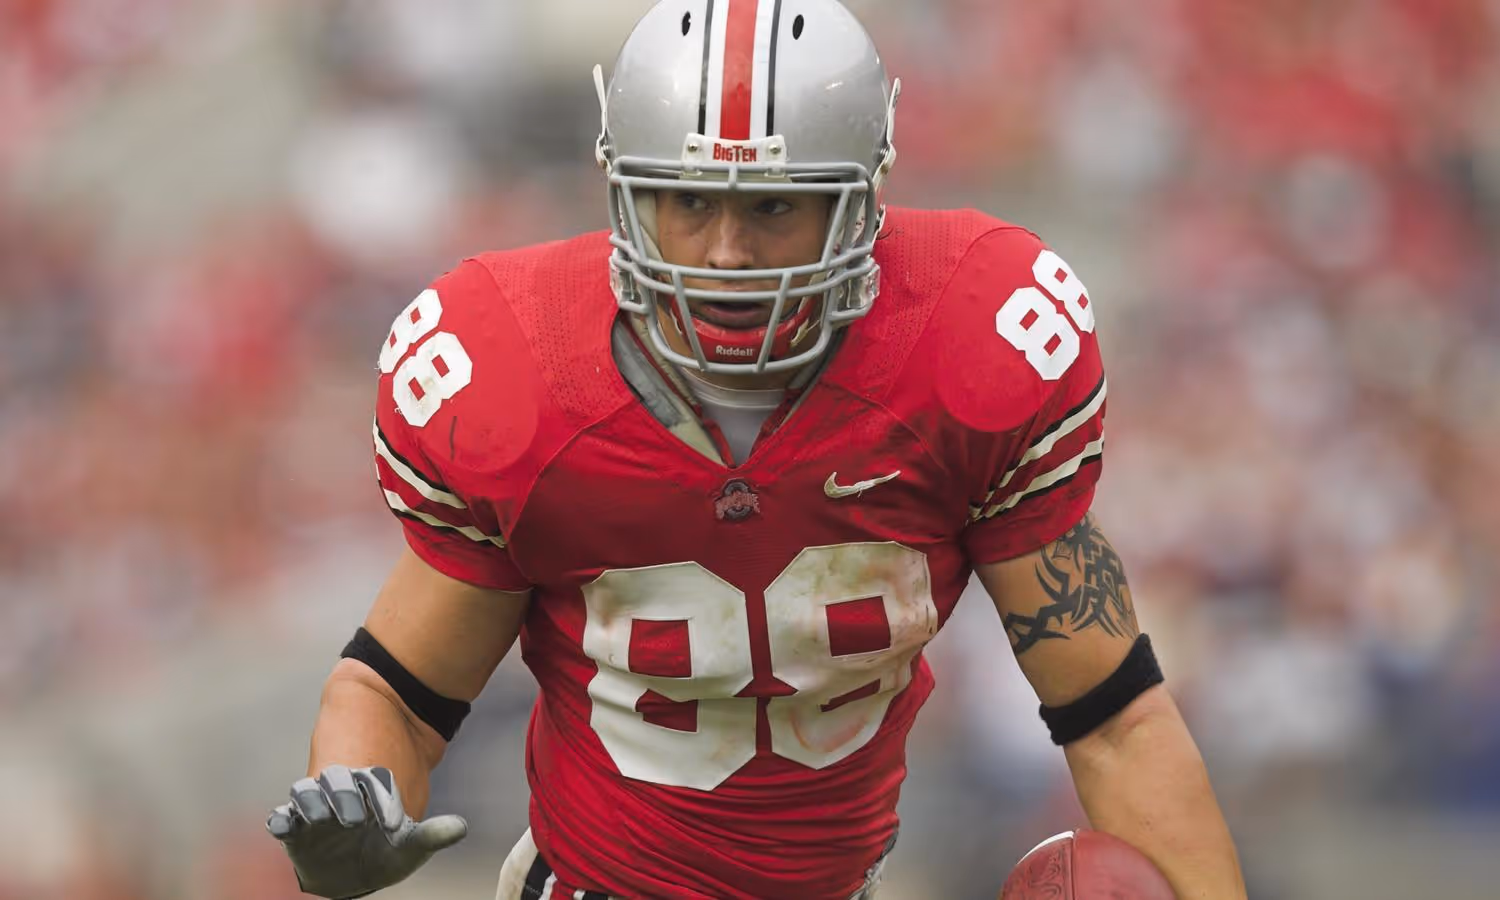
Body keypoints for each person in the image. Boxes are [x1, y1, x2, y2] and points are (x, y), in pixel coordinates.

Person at [266, 1, 1248, 898]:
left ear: (859, 202)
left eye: (772, 207)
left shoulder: (964, 345)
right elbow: (397, 691)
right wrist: (351, 814)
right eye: (691, 203)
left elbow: (1117, 719)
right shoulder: (522, 378)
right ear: (627, 196)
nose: (727, 253)